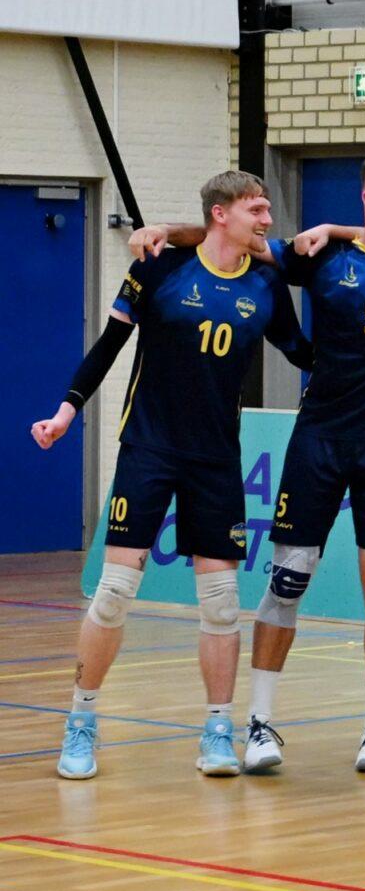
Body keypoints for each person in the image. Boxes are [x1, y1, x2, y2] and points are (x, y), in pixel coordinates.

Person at [126, 152, 365, 774]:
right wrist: (166, 229)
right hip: (318, 440)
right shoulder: (318, 256)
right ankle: (260, 722)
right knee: (287, 580)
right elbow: (235, 235)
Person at [34, 170, 309, 779]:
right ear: (221, 214)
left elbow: (302, 351)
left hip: (217, 458)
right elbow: (108, 345)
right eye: (257, 209)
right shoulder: (160, 267)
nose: (268, 220)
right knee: (113, 594)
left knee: (221, 605)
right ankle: (81, 722)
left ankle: (218, 731)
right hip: (150, 449)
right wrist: (66, 410)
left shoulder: (266, 281)